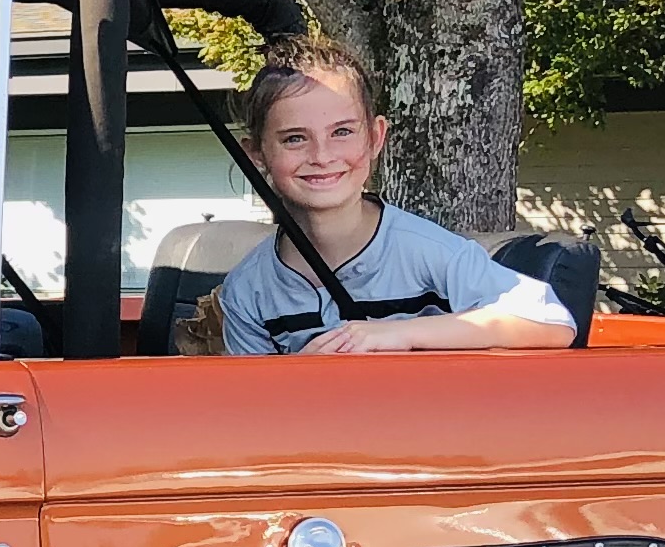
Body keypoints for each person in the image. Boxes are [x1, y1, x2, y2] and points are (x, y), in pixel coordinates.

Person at [213, 40, 578, 356]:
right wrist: (302, 374)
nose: (322, 156)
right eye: (294, 138)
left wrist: (396, 335)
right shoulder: (248, 288)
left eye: (342, 132)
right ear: (256, 154)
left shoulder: (425, 251)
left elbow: (550, 319)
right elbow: (253, 409)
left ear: (375, 138)